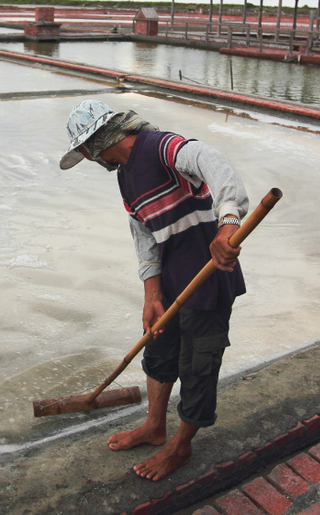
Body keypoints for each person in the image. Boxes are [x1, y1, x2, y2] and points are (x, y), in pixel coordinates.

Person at [60, 99, 249, 481]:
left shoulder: (160, 146)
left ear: (96, 143)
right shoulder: (125, 176)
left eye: (86, 151)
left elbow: (213, 161)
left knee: (198, 367)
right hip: (171, 282)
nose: (90, 159)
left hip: (208, 277)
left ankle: (180, 447)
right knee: (159, 351)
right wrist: (151, 294)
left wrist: (228, 222)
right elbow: (143, 235)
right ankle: (154, 426)